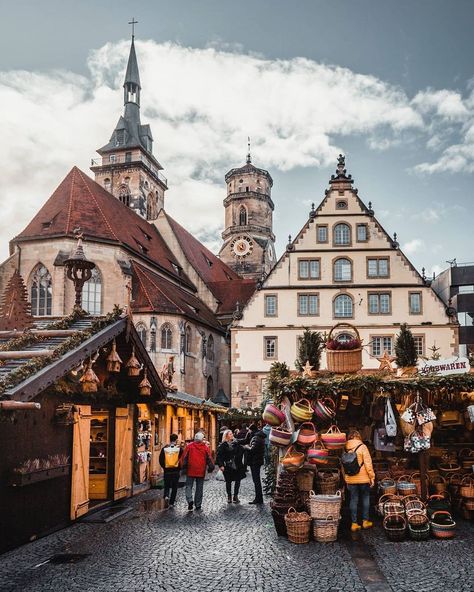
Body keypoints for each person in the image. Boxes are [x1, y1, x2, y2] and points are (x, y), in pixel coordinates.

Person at [343, 429, 375, 531]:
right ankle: (365, 521)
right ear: (358, 437)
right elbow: (368, 464)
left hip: (351, 479)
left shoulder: (345, 448)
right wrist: (372, 477)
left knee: (353, 499)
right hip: (363, 479)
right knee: (365, 498)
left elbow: (343, 465)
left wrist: (345, 478)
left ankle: (354, 523)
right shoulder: (363, 447)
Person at [181, 432, 215, 512]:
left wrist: (183, 467)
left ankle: (190, 500)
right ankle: (198, 504)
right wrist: (211, 468)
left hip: (190, 469)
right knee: (199, 488)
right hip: (201, 469)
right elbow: (209, 458)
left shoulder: (189, 446)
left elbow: (184, 458)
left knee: (188, 486)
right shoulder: (205, 447)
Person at [216, 429, 246, 504]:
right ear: (226, 436)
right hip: (228, 466)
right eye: (230, 434)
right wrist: (221, 465)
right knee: (228, 481)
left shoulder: (236, 443)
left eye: (232, 433)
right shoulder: (223, 445)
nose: (232, 435)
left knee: (238, 480)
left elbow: (241, 451)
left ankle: (235, 496)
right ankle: (229, 496)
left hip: (237, 465)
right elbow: (219, 456)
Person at [159, 433, 183, 507]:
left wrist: (165, 467)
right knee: (174, 487)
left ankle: (166, 496)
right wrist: (179, 467)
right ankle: (172, 503)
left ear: (170, 439)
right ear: (176, 440)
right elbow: (182, 459)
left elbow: (161, 460)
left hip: (167, 471)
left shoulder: (164, 448)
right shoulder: (179, 449)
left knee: (167, 485)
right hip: (176, 471)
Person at [245, 424, 266, 504]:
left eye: (249, 430)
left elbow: (253, 449)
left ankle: (258, 498)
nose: (248, 431)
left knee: (256, 480)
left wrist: (246, 447)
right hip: (257, 461)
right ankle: (258, 498)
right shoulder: (259, 436)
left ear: (251, 430)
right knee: (256, 480)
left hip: (255, 462)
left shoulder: (256, 437)